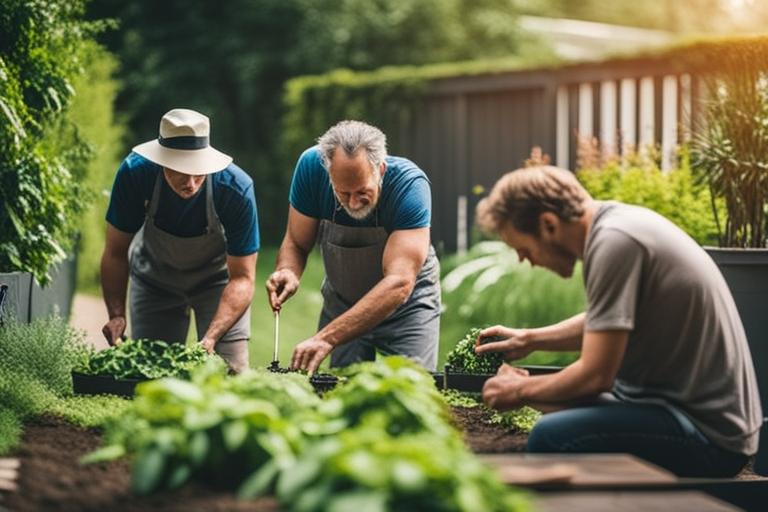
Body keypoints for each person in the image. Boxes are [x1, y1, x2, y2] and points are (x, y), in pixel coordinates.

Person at [474, 165, 762, 477]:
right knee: (556, 404)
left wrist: (519, 390)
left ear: (548, 224)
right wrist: (529, 340)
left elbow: (595, 376)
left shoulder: (615, 243)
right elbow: (608, 320)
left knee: (551, 434)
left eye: (523, 249)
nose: (524, 260)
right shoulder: (614, 227)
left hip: (709, 436)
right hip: (668, 408)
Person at [266, 120, 440, 374]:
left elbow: (400, 282)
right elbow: (296, 242)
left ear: (380, 169)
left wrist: (326, 337)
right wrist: (288, 271)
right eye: (343, 193)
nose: (354, 203)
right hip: (343, 303)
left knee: (413, 388)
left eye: (362, 192)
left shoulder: (409, 186)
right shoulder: (310, 169)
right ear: (328, 173)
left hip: (407, 307)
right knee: (342, 392)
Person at [100, 108, 259, 373]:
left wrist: (211, 338)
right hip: (154, 279)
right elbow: (115, 252)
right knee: (151, 375)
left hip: (217, 283)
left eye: (199, 171)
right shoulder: (135, 174)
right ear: (161, 162)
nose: (191, 182)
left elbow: (243, 278)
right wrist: (116, 314)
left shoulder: (235, 188)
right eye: (180, 170)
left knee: (231, 372)